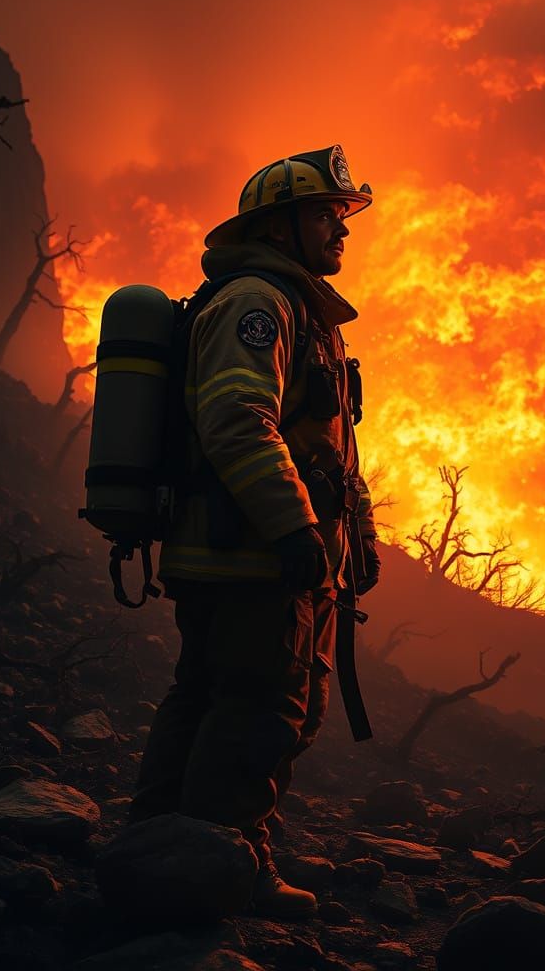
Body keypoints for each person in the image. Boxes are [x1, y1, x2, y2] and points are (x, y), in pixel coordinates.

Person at [128, 145, 380, 918]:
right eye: (323, 214)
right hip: (253, 556)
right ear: (278, 227)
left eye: (342, 216)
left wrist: (356, 537)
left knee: (207, 697)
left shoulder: (297, 308)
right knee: (262, 706)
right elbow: (238, 420)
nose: (341, 230)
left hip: (252, 551)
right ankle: (221, 869)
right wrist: (297, 530)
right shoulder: (257, 304)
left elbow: (327, 445)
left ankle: (154, 857)